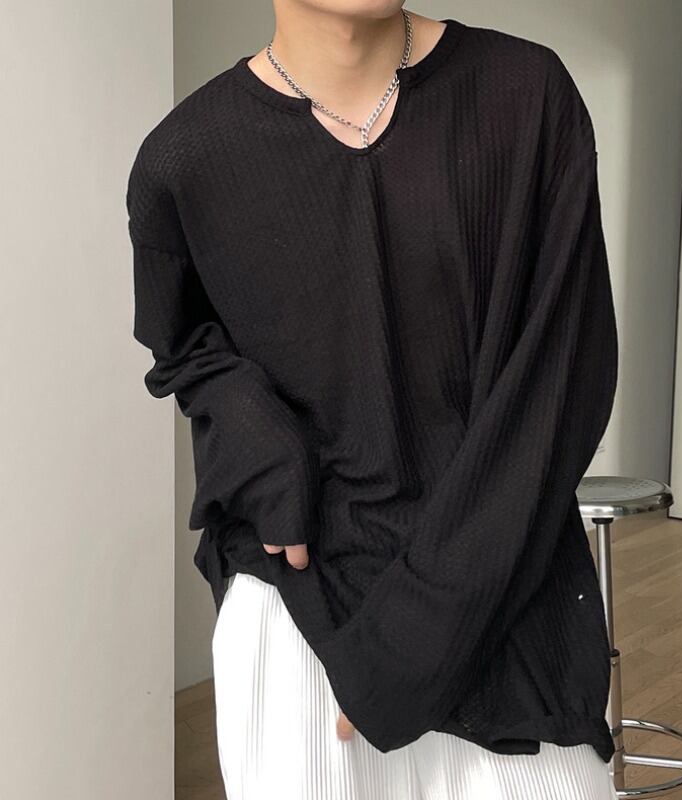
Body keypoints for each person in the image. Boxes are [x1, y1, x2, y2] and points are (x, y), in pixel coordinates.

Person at [126, 4, 620, 799]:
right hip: (301, 611)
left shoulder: (526, 94)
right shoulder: (182, 160)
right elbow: (182, 344)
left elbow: (562, 379)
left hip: (507, 595)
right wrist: (258, 440)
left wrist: (412, 641)